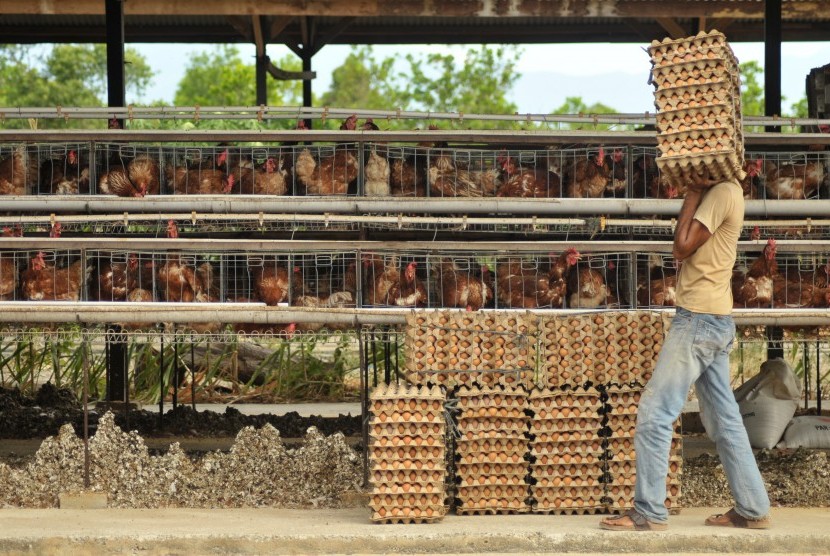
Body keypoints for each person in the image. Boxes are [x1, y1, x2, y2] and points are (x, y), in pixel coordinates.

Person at [599, 168, 771, 531]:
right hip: (713, 318)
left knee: (654, 411)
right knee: (723, 419)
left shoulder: (722, 192)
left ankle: (648, 511)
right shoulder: (723, 191)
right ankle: (753, 507)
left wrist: (692, 193)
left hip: (698, 321)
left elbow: (680, 247)